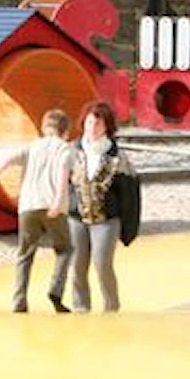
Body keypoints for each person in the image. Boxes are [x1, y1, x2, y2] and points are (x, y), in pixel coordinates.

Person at [0, 108, 74, 313]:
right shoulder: (65, 148)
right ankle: (55, 290)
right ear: (66, 132)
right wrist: (58, 201)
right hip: (53, 206)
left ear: (43, 128)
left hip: (28, 206)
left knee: (25, 254)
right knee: (64, 249)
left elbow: (4, 163)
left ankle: (19, 301)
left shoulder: (31, 147)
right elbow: (63, 174)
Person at [49, 100, 138, 313]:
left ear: (106, 127)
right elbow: (59, 182)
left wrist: (128, 226)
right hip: (76, 218)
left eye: (98, 124)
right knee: (78, 266)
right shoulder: (71, 151)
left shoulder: (118, 157)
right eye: (89, 123)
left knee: (102, 264)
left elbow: (129, 194)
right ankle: (81, 307)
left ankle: (111, 307)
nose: (92, 128)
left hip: (106, 219)